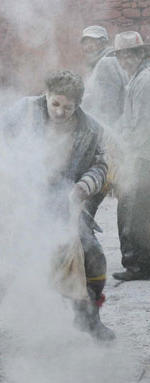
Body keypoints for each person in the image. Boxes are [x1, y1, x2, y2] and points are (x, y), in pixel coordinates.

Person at [0, 70, 115, 342]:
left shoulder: (90, 128)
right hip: (23, 196)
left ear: (78, 104)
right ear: (46, 95)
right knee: (7, 257)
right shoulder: (25, 110)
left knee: (93, 258)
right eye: (55, 104)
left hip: (65, 200)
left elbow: (101, 165)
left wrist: (84, 186)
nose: (60, 112)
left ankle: (89, 318)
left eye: (68, 107)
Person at [109, 32, 150, 281]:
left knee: (131, 211)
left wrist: (125, 155)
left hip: (140, 157)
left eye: (129, 54)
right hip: (139, 155)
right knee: (138, 210)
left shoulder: (144, 81)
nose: (124, 59)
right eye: (120, 55)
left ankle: (137, 266)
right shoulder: (134, 79)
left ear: (140, 54)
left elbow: (142, 125)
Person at [79, 25, 128, 217]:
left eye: (93, 41)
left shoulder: (106, 64)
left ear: (104, 42)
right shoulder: (108, 63)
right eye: (85, 42)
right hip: (117, 143)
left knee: (84, 209)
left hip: (108, 144)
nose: (88, 46)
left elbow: (105, 111)